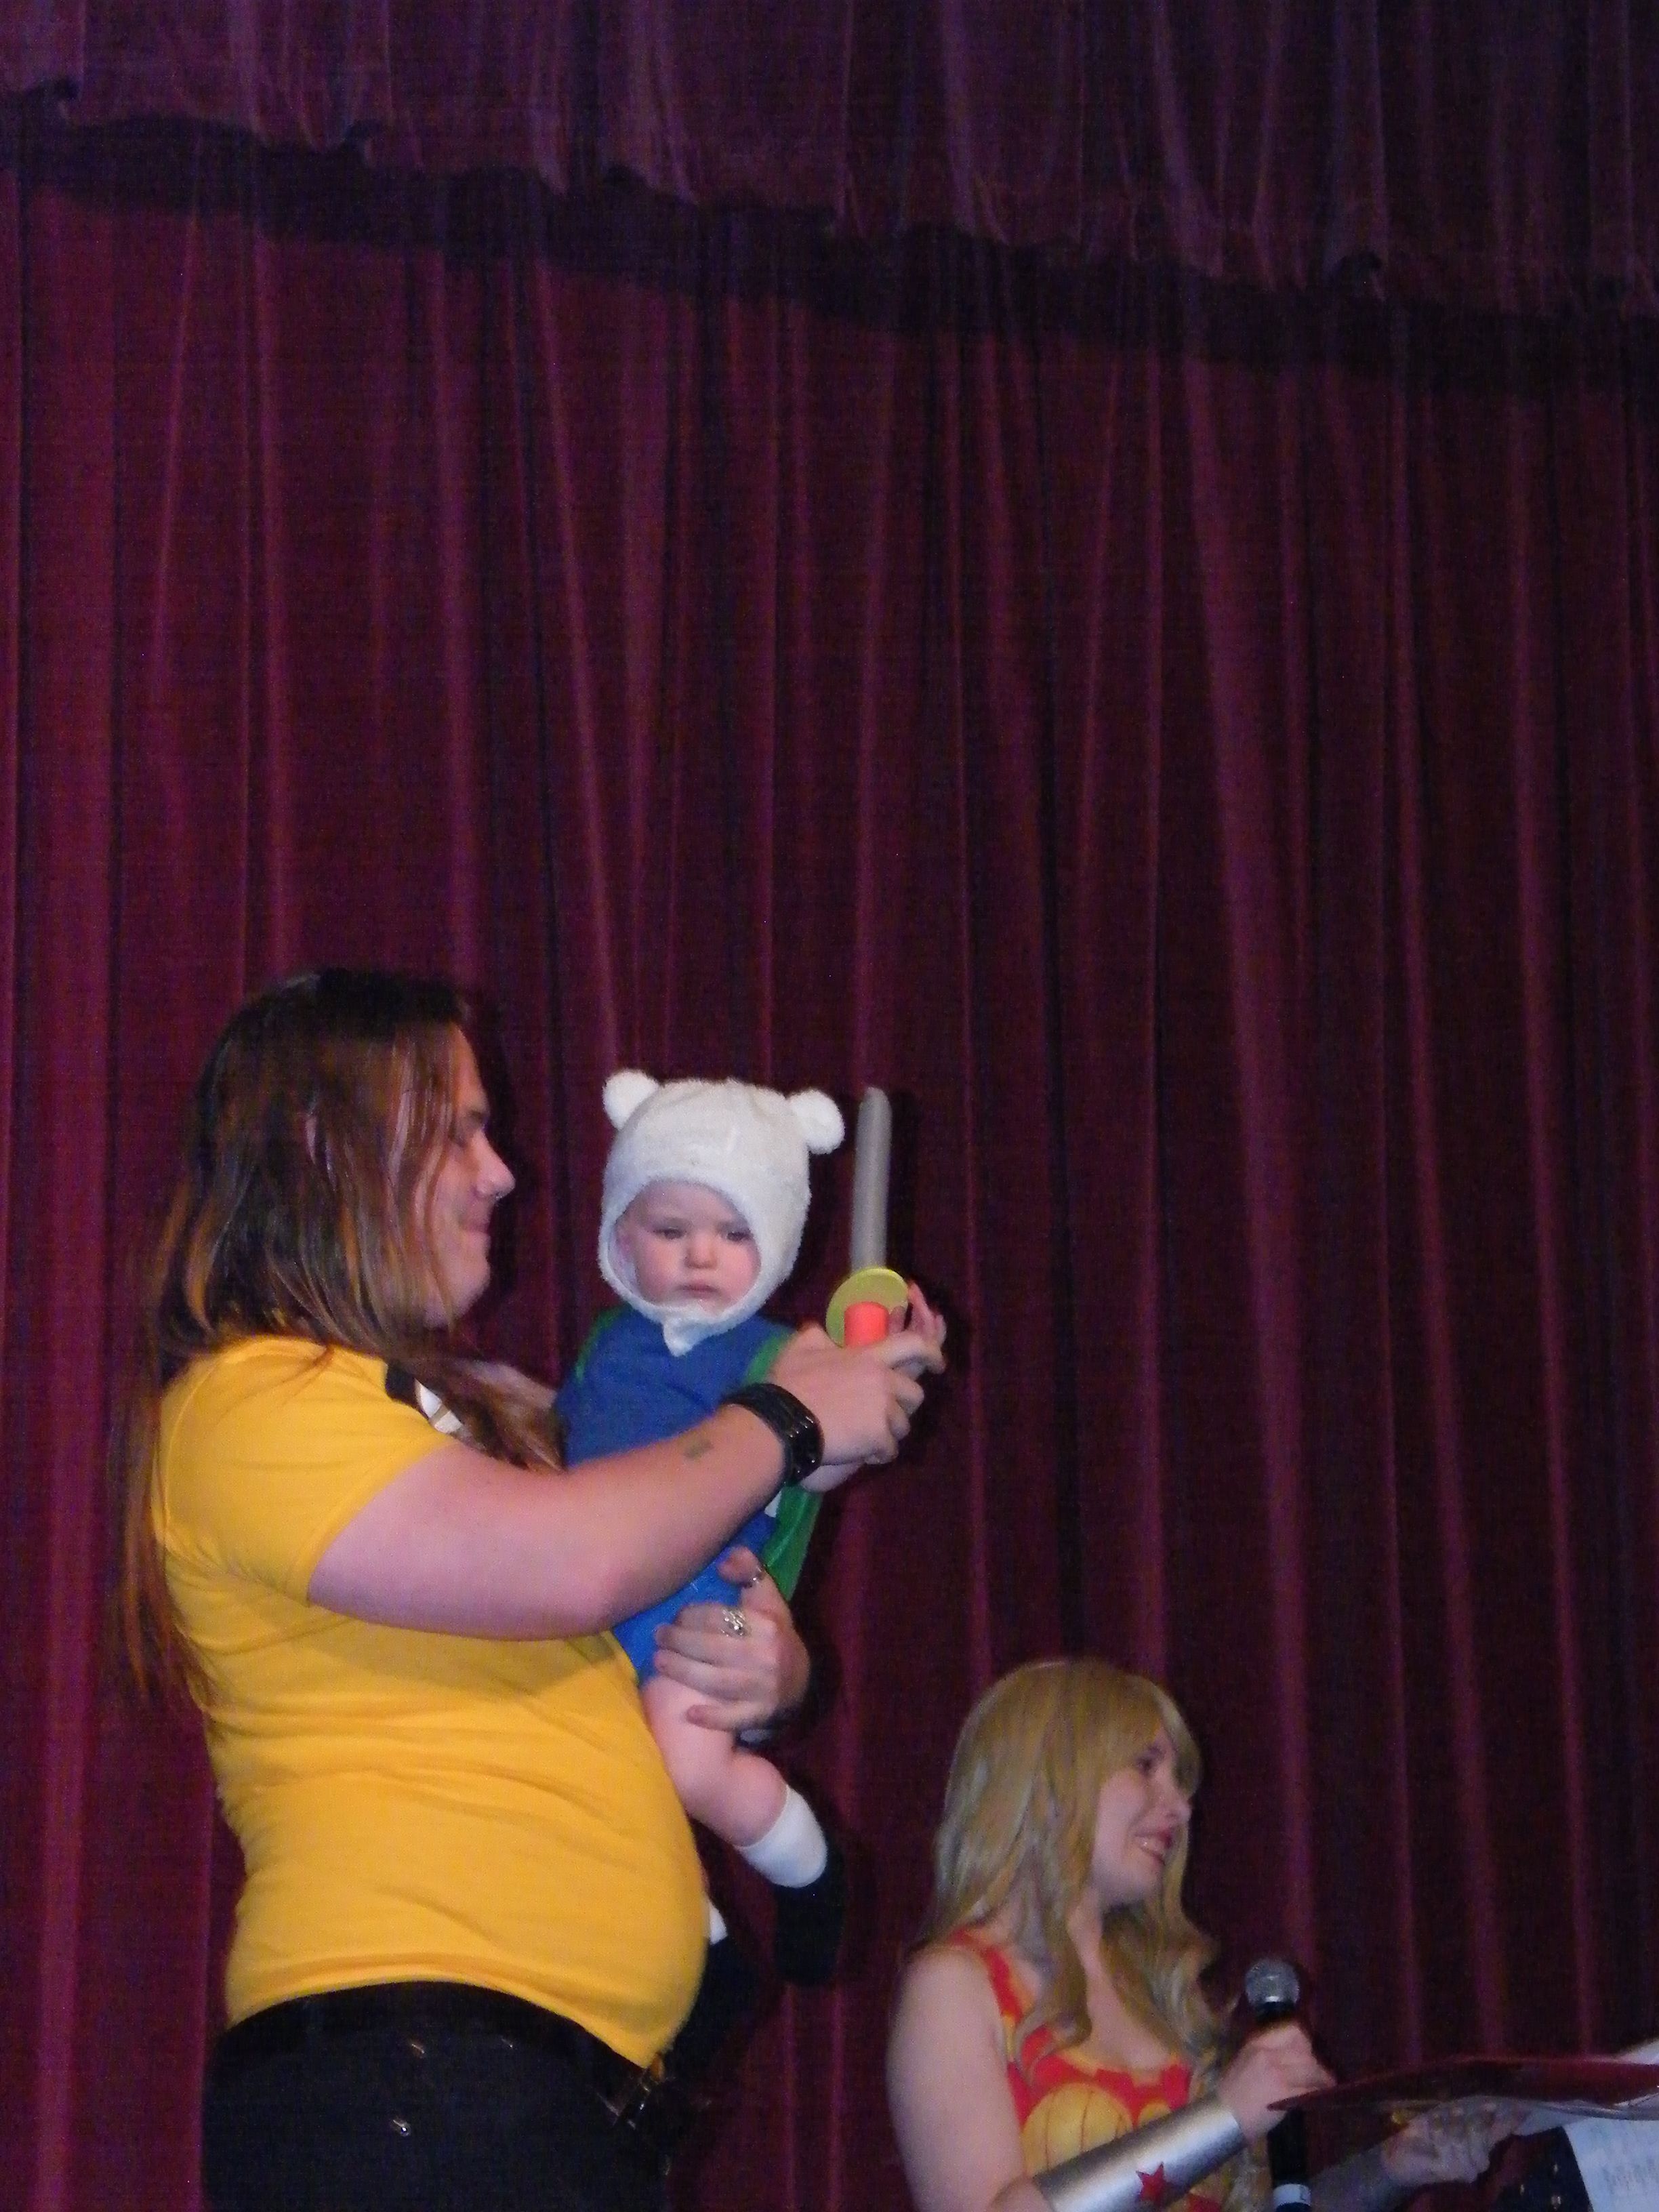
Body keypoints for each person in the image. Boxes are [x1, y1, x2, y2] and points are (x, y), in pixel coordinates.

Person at [115, 968, 945, 2212]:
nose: (501, 1173)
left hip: (525, 2099)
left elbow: (632, 1576)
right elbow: (581, 1561)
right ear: (325, 1145)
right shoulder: (254, 1402)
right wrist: (784, 1412)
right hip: (419, 2081)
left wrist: (764, 1666)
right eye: (458, 1130)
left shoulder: (452, 1415)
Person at [887, 1660, 1515, 2212]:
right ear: (1052, 1779)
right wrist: (1223, 2118)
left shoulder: (1157, 1995)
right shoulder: (955, 1983)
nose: (1182, 1808)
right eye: (1146, 1767)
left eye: (1179, 1781)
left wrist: (1395, 2166)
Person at [556, 1068, 875, 1990]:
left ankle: (805, 1866)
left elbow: (827, 1455)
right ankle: (696, 1947)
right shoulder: (606, 1344)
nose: (702, 1255)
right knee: (601, 1780)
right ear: (622, 1236)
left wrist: (874, 1379)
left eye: (735, 1235)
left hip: (707, 1602)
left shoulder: (782, 1351)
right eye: (672, 1230)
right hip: (590, 1606)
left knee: (688, 1760)